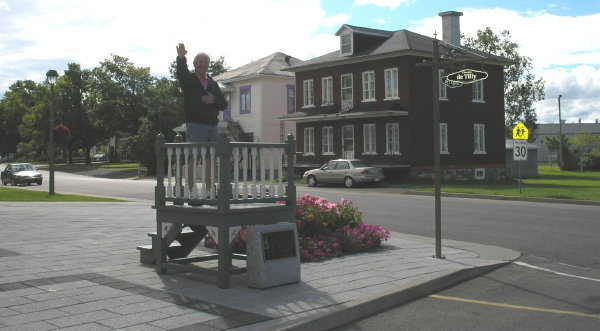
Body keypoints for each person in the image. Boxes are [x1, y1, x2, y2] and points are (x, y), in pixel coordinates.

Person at [176, 43, 228, 190]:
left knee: (211, 157)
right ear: (194, 63)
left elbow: (224, 104)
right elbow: (181, 72)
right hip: (196, 124)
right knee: (194, 157)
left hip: (213, 125)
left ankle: (210, 190)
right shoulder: (189, 79)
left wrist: (214, 100)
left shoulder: (212, 83)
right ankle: (191, 191)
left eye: (205, 62)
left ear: (208, 65)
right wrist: (181, 57)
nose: (202, 64)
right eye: (199, 62)